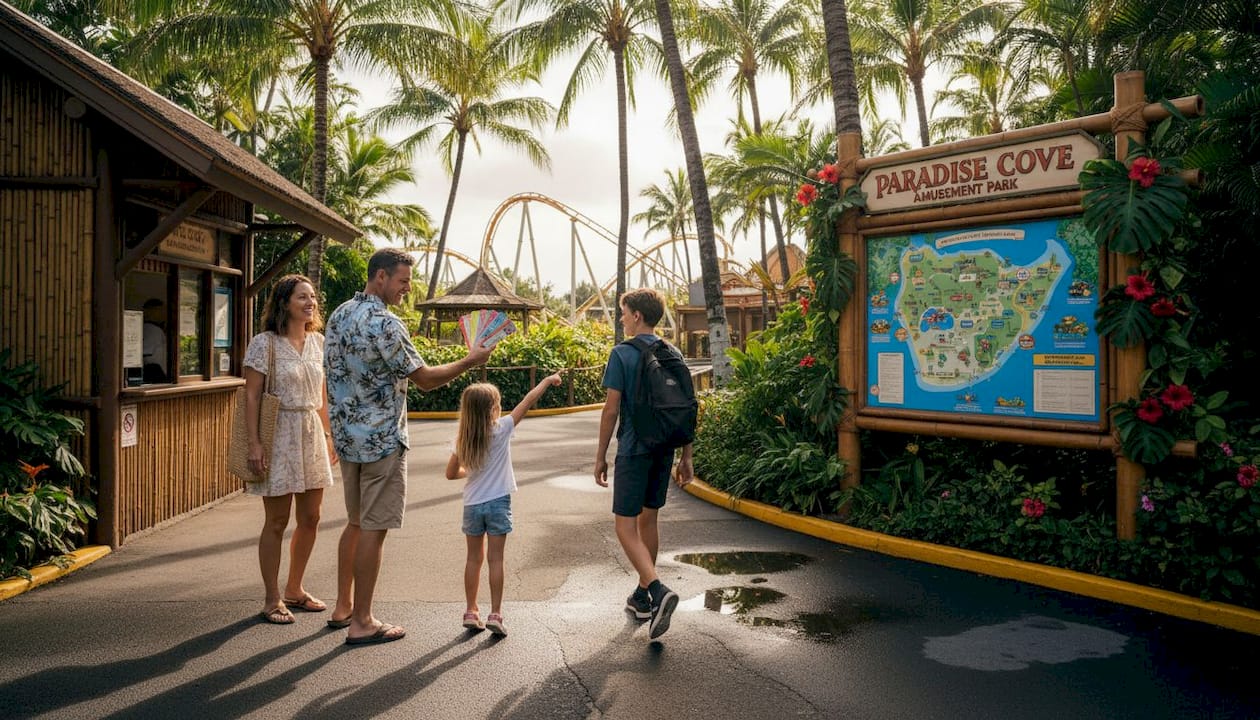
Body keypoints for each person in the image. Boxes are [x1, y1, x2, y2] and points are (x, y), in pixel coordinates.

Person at [325, 248, 493, 646]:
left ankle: (344, 606)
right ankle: (362, 621)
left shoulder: (338, 315)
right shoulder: (386, 323)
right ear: (380, 277)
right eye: (402, 281)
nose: (407, 289)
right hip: (382, 440)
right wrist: (471, 360)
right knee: (373, 528)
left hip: (349, 439)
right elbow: (425, 379)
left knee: (355, 522)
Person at [594, 288, 694, 640]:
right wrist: (687, 456)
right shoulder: (673, 352)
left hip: (635, 449)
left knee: (625, 526)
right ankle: (642, 596)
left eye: (623, 312)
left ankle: (656, 589)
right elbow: (685, 408)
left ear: (637, 315)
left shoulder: (622, 354)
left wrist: (600, 455)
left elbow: (610, 410)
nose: (621, 317)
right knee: (648, 518)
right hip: (664, 448)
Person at [243, 274, 338, 625]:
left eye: (312, 297)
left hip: (311, 430)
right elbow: (251, 395)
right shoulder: (264, 343)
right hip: (278, 432)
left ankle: (295, 589)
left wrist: (329, 435)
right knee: (277, 520)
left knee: (311, 517)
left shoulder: (319, 342)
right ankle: (271, 597)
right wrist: (254, 442)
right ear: (284, 302)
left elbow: (323, 394)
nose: (310, 302)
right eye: (302, 297)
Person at [445, 372, 563, 637]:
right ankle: (495, 614)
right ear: (494, 409)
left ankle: (470, 610)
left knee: (473, 559)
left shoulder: (461, 439)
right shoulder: (503, 428)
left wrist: (471, 471)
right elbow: (528, 400)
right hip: (498, 502)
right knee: (496, 559)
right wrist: (547, 380)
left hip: (472, 504)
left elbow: (451, 474)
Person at [141, 298, 168, 383]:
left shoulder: (151, 329)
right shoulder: (153, 330)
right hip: (154, 375)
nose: (164, 314)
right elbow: (146, 355)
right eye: (162, 311)